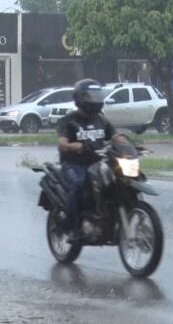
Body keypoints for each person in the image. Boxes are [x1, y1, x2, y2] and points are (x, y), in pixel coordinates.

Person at [57, 78, 117, 242]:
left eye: (97, 95)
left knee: (118, 179)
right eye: (91, 96)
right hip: (74, 164)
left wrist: (129, 144)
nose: (95, 100)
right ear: (80, 98)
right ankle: (71, 227)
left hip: (97, 163)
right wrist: (71, 146)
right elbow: (61, 142)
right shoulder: (69, 121)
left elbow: (115, 136)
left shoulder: (101, 119)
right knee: (79, 184)